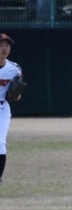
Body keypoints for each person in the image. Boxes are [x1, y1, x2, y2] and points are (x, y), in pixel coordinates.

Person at [0, 33, 22, 186]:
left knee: (0, 143)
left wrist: (16, 94)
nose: (4, 48)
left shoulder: (14, 69)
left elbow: (16, 96)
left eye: (7, 45)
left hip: (2, 109)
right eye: (1, 45)